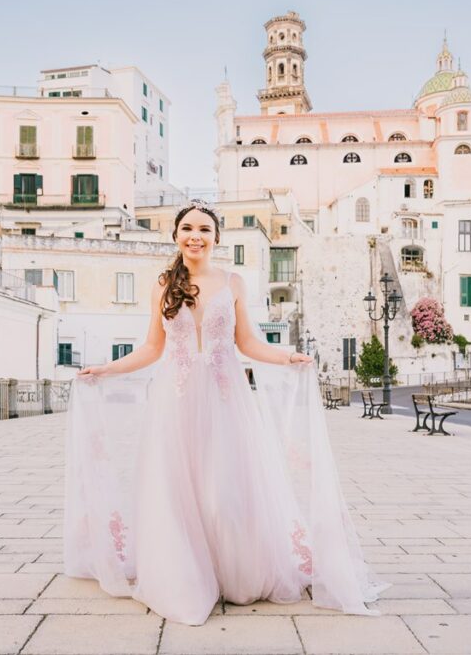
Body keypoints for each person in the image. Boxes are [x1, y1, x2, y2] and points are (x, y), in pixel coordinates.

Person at [63, 198, 390, 625]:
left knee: (223, 493)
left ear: (216, 238)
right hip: (175, 402)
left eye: (203, 229)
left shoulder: (233, 282)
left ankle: (230, 572)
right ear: (176, 236)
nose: (195, 236)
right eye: (187, 229)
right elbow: (151, 348)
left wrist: (285, 357)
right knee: (175, 491)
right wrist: (106, 369)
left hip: (224, 400)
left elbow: (247, 344)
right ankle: (184, 576)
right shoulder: (163, 283)